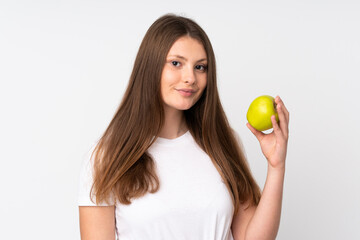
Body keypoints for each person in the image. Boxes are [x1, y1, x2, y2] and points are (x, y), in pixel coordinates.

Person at [78, 13, 289, 240]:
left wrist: (276, 166)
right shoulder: (106, 156)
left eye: (200, 67)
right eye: (176, 63)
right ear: (150, 67)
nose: (190, 77)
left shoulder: (222, 142)